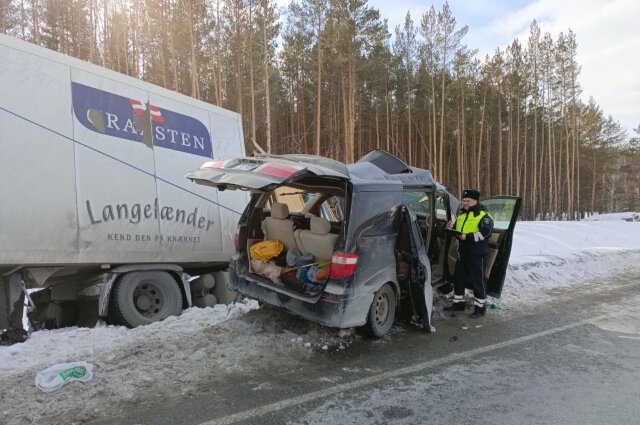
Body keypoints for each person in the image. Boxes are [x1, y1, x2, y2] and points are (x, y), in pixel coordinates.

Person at [444, 189, 494, 318]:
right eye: (464, 200)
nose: (465, 202)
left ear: (475, 201)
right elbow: (458, 231)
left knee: (478, 281)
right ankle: (459, 303)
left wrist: (468, 237)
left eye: (468, 200)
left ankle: (480, 308)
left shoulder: (484, 215)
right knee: (458, 278)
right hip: (463, 253)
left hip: (477, 254)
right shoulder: (462, 215)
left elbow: (486, 233)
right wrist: (450, 229)